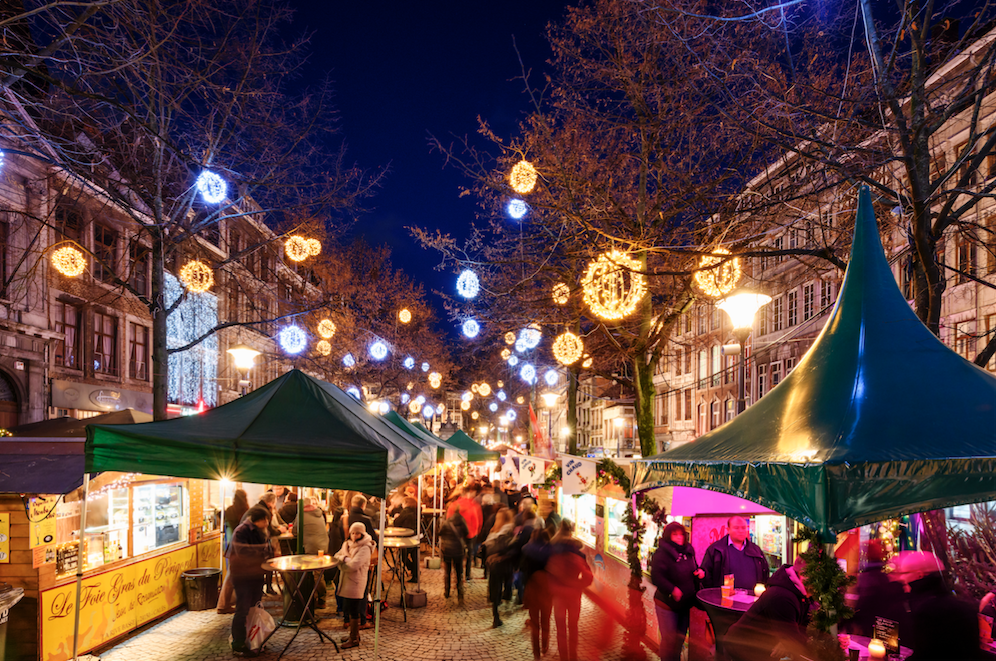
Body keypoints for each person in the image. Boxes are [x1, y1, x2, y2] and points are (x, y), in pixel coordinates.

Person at [890, 551, 982, 661]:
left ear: (919, 575)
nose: (901, 578)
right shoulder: (963, 606)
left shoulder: (927, 610)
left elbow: (926, 655)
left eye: (904, 573)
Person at [724, 554, 810, 661]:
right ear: (803, 575)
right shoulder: (782, 596)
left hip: (763, 648)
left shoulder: (799, 592)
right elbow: (795, 643)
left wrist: (787, 640)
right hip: (743, 647)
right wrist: (789, 640)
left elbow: (804, 626)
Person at [650, 521, 704, 661]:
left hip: (685, 603)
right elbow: (656, 577)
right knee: (669, 640)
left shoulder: (688, 550)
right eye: (675, 535)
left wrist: (698, 572)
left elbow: (693, 568)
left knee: (679, 639)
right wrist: (672, 589)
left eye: (681, 534)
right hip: (667, 604)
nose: (679, 537)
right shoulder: (661, 554)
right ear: (668, 536)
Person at [227, 507, 273, 657]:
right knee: (243, 609)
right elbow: (243, 552)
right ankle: (238, 643)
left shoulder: (260, 531)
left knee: (254, 608)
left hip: (255, 575)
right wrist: (262, 551)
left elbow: (267, 548)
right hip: (242, 576)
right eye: (264, 520)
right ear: (256, 520)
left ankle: (253, 639)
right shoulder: (242, 531)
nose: (267, 523)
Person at [547, 520, 593, 661]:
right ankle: (573, 656)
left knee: (561, 628)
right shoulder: (579, 556)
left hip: (559, 596)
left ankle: (563, 657)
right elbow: (588, 577)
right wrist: (578, 584)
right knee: (573, 626)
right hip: (574, 595)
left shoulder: (553, 553)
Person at [849, 539, 909, 638]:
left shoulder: (868, 576)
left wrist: (853, 619)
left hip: (872, 624)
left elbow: (865, 603)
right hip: (881, 624)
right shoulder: (881, 575)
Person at [334, 522, 374, 650]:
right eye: (352, 533)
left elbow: (354, 566)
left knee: (354, 609)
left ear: (362, 534)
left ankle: (354, 639)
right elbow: (336, 556)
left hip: (356, 582)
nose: (354, 535)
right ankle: (354, 634)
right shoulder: (347, 545)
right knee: (348, 608)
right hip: (346, 581)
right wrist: (345, 559)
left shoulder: (365, 547)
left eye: (357, 533)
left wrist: (342, 563)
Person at [701, 516, 769, 590]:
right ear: (728, 530)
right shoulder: (716, 549)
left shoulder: (756, 550)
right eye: (736, 528)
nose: (741, 531)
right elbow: (706, 575)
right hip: (724, 598)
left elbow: (765, 573)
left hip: (753, 598)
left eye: (743, 528)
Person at [522, 527, 553, 660]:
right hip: (547, 589)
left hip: (532, 589)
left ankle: (536, 652)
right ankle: (545, 646)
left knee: (535, 623)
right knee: (545, 619)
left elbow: (522, 570)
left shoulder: (526, 550)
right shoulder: (550, 551)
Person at [484, 508, 516, 628]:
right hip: (504, 563)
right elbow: (511, 547)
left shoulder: (494, 531)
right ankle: (504, 602)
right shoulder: (509, 530)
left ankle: (495, 614)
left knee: (495, 588)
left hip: (493, 564)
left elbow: (488, 547)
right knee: (505, 584)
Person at [295, 497, 329, 607]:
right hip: (323, 546)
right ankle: (322, 598)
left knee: (310, 573)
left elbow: (295, 531)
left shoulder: (301, 515)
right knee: (319, 573)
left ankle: (310, 599)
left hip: (310, 547)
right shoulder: (319, 513)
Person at [447, 483, 483, 580]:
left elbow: (448, 519)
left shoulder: (453, 505)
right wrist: (476, 532)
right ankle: (467, 574)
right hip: (470, 533)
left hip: (456, 534)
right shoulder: (473, 505)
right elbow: (477, 520)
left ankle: (458, 573)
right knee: (469, 555)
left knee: (458, 554)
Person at [439, 506, 469, 604]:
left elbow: (439, 533)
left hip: (447, 549)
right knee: (459, 572)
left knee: (447, 572)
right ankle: (460, 593)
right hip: (458, 550)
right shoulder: (462, 520)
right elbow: (467, 533)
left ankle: (447, 591)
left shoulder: (447, 522)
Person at [392, 496, 420, 583]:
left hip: (407, 536)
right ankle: (415, 574)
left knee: (402, 554)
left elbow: (397, 523)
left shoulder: (405, 511)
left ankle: (412, 568)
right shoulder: (417, 510)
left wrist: (397, 517)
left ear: (406, 503)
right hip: (417, 535)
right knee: (414, 555)